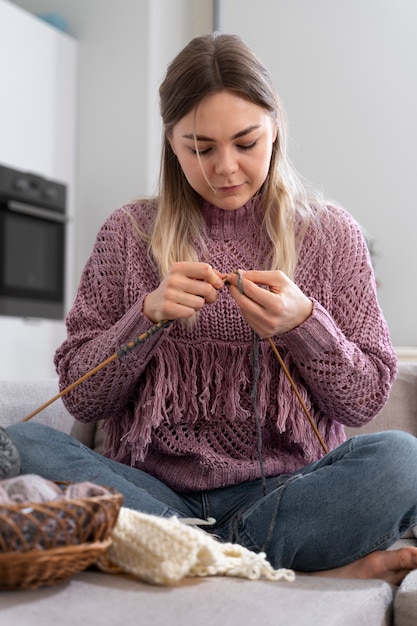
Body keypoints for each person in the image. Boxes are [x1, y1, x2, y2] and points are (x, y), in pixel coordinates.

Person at [7, 32, 417, 584]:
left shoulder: (330, 235)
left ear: (275, 128)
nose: (225, 168)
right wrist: (145, 317)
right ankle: (264, 559)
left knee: (401, 460)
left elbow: (365, 399)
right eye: (201, 148)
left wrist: (305, 325)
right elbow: (82, 394)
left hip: (283, 494)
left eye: (246, 142)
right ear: (172, 144)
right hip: (153, 492)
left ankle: (180, 553)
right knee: (18, 442)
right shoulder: (128, 234)